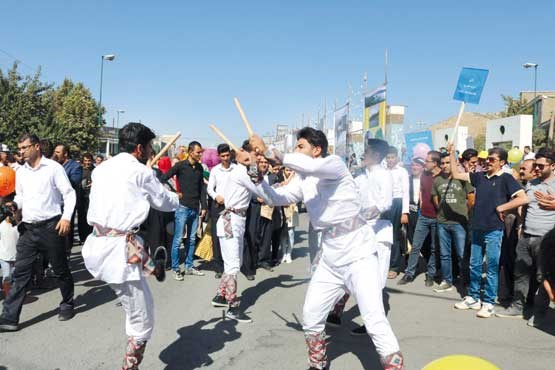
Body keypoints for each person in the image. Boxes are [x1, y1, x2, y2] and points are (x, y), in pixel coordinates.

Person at [252, 128, 403, 370]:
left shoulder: (334, 165)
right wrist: (257, 177)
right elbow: (276, 197)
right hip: (330, 257)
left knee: (374, 319)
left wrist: (270, 150)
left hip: (359, 254)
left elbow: (308, 166)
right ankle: (318, 364)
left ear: (317, 149)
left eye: (300, 146)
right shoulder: (304, 180)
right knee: (311, 316)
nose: (296, 151)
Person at [82, 123, 179, 369]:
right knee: (142, 318)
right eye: (148, 147)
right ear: (139, 148)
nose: (150, 151)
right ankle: (130, 366)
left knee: (136, 306)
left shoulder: (101, 169)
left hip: (98, 246)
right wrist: (178, 197)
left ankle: (151, 267)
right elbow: (164, 202)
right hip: (118, 253)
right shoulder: (141, 172)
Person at [0, 133, 76, 332]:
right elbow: (22, 197)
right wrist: (16, 205)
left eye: (25, 148)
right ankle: (9, 317)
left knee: (60, 270)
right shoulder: (22, 172)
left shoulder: (53, 168)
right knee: (21, 273)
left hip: (52, 227)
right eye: (20, 149)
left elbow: (69, 194)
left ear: (36, 147)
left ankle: (67, 303)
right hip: (29, 229)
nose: (21, 152)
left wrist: (66, 218)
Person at [450, 145, 528, 318]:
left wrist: (503, 207)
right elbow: (456, 174)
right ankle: (473, 297)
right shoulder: (479, 177)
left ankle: (489, 302)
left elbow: (523, 198)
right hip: (477, 227)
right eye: (486, 159)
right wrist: (451, 153)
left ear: (501, 162)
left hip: (494, 230)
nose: (487, 162)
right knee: (475, 265)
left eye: (492, 159)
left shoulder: (506, 178)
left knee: (492, 267)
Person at [496, 149, 555, 326]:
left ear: (552, 166)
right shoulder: (531, 184)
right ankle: (517, 307)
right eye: (535, 165)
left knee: (543, 277)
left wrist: (502, 207)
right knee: (521, 273)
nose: (536, 168)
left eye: (540, 166)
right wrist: (521, 225)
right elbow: (526, 205)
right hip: (526, 236)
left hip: (546, 240)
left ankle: (539, 314)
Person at [211, 141, 265, 323]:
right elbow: (260, 187)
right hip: (230, 220)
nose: (259, 157)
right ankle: (233, 307)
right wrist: (252, 162)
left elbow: (258, 181)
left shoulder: (244, 170)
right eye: (256, 154)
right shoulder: (241, 172)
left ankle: (220, 295)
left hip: (237, 220)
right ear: (245, 154)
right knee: (234, 264)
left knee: (235, 262)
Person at [161, 141, 207, 280]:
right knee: (178, 239)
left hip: (195, 208)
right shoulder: (180, 166)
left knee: (192, 239)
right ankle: (176, 268)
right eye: (198, 152)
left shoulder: (199, 168)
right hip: (182, 208)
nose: (200, 154)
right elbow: (163, 178)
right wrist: (175, 193)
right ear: (190, 151)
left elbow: (202, 189)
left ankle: (189, 266)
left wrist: (203, 206)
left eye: (201, 152)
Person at [398, 150, 442, 287]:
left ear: (435, 163)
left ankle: (431, 274)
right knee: (416, 246)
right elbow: (421, 191)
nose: (425, 163)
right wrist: (422, 205)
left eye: (427, 161)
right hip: (423, 216)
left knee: (434, 248)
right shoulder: (425, 176)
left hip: (436, 219)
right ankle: (409, 273)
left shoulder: (442, 177)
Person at [432, 153, 474, 293]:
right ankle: (447, 281)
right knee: (444, 254)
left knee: (462, 254)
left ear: (455, 163)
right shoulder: (437, 180)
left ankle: (466, 282)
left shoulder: (462, 179)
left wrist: (462, 212)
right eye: (442, 163)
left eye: (447, 163)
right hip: (442, 222)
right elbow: (435, 198)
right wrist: (441, 211)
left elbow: (471, 199)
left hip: (459, 223)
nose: (444, 166)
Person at [206, 144, 236, 278]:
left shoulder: (236, 169)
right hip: (218, 206)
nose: (225, 158)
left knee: (231, 235)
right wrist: (216, 196)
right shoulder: (215, 171)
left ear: (230, 154)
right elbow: (210, 189)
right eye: (222, 156)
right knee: (217, 236)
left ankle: (231, 265)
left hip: (233, 206)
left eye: (227, 155)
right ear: (219, 156)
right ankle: (218, 267)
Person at [384, 146, 409, 279]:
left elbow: (405, 192)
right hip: (384, 204)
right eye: (388, 157)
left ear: (397, 157)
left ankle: (394, 266)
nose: (390, 160)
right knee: (383, 234)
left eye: (392, 157)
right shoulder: (382, 171)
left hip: (397, 202)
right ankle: (383, 263)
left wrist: (405, 212)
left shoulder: (402, 171)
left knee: (394, 235)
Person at [54, 144, 83, 254]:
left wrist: (58, 180)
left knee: (65, 232)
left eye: (58, 152)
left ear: (65, 154)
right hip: (54, 204)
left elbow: (73, 183)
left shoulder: (75, 167)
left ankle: (66, 253)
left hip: (66, 205)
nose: (55, 154)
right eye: (54, 152)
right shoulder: (53, 166)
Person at [280, 167, 298, 264]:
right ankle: (283, 253)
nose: (288, 172)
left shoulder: (296, 181)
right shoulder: (280, 180)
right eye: (287, 170)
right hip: (282, 209)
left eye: (290, 170)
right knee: (283, 234)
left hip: (292, 209)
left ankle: (289, 253)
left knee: (291, 233)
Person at [0, 210, 18, 299]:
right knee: (7, 276)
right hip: (4, 256)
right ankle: (8, 296)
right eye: (11, 215)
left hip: (16, 255)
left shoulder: (17, 225)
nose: (13, 217)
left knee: (16, 276)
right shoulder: (1, 226)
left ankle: (16, 295)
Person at [77, 152, 94, 243]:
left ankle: (89, 236)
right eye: (86, 161)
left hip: (91, 198)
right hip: (81, 197)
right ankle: (82, 238)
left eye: (89, 160)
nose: (87, 162)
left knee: (90, 217)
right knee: (81, 217)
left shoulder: (95, 170)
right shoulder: (79, 170)